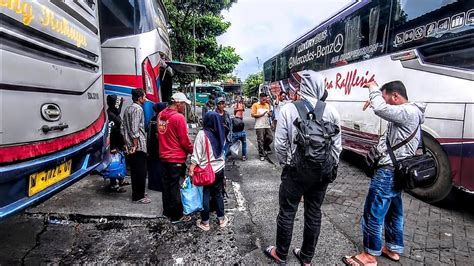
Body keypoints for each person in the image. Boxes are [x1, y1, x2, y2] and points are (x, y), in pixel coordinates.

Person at [343, 81, 426, 266]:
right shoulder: (412, 113)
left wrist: (373, 87)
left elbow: (380, 109)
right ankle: (393, 248)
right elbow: (381, 107)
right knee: (394, 212)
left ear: (395, 96)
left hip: (388, 172)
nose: (385, 103)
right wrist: (377, 97)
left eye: (387, 98)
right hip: (398, 170)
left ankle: (369, 255)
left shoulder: (407, 111)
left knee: (373, 213)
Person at [265, 70, 342, 265]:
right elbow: (337, 147)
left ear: (302, 87)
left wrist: (287, 164)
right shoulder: (331, 111)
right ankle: (306, 257)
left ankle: (281, 253)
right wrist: (328, 167)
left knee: (287, 211)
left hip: (295, 172)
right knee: (314, 212)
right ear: (320, 87)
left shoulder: (288, 109)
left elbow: (280, 145)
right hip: (322, 173)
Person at [189, 111, 229, 231]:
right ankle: (221, 220)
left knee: (205, 194)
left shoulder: (202, 134)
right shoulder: (221, 131)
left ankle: (205, 223)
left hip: (207, 171)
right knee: (218, 193)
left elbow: (196, 154)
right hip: (220, 169)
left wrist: (191, 167)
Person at [158, 92, 194, 223]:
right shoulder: (178, 118)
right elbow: (184, 140)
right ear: (178, 103)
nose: (185, 107)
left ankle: (166, 211)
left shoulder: (161, 115)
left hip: (164, 156)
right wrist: (193, 151)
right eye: (184, 104)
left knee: (166, 185)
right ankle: (176, 216)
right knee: (175, 187)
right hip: (176, 158)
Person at [121, 89, 149, 203]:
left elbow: (123, 128)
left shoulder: (127, 109)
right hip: (138, 145)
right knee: (140, 171)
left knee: (135, 170)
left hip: (129, 143)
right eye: (144, 97)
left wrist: (126, 144)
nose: (145, 99)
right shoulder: (138, 109)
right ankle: (138, 196)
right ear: (139, 98)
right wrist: (135, 145)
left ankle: (138, 192)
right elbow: (134, 129)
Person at [105, 95, 130, 193]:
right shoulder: (110, 116)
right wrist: (112, 147)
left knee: (121, 163)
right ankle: (114, 185)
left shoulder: (114, 114)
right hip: (113, 146)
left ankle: (121, 180)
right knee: (114, 165)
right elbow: (110, 133)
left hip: (118, 145)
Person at [147, 102, 167, 192]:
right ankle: (159, 185)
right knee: (159, 166)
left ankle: (152, 184)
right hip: (159, 146)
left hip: (152, 146)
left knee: (153, 165)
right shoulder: (162, 119)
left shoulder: (153, 119)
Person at [251, 92, 273, 161]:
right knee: (260, 140)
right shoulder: (255, 105)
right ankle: (261, 154)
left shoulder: (267, 105)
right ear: (260, 98)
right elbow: (253, 115)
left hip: (267, 124)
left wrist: (269, 114)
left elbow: (270, 114)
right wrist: (262, 114)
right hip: (259, 125)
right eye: (263, 100)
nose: (265, 101)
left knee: (270, 138)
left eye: (265, 100)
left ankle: (265, 147)